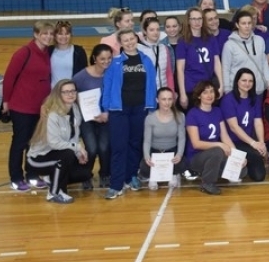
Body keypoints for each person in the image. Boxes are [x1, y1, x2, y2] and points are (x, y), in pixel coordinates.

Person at [102, 28, 157, 199]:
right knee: (119, 146)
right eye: (125, 40)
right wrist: (105, 108)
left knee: (135, 144)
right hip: (119, 110)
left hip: (140, 109)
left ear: (136, 39)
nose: (129, 42)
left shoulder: (146, 60)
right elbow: (107, 86)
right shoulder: (115, 63)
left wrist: (152, 107)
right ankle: (116, 185)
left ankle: (131, 176)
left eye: (131, 39)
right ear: (120, 43)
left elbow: (152, 85)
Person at [3, 20, 54, 191]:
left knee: (35, 143)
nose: (48, 37)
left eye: (50, 34)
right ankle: (16, 178)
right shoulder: (23, 53)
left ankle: (32, 174)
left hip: (39, 107)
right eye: (44, 33)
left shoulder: (47, 53)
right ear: (36, 34)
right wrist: (6, 101)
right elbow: (9, 78)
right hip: (21, 107)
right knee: (20, 142)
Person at [26, 80, 91, 204]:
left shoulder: (75, 108)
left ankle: (52, 178)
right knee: (66, 155)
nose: (70, 94)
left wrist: (78, 152)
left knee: (84, 173)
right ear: (58, 94)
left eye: (73, 91)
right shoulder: (53, 114)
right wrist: (77, 147)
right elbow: (54, 143)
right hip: (38, 159)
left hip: (57, 154)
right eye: (65, 92)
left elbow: (74, 136)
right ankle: (53, 193)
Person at [185, 81, 241, 195]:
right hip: (196, 157)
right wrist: (219, 145)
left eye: (211, 91)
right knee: (217, 151)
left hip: (215, 155)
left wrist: (237, 156)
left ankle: (208, 172)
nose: (209, 95)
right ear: (199, 95)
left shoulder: (217, 111)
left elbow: (224, 136)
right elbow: (196, 144)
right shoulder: (192, 114)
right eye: (205, 92)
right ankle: (207, 183)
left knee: (242, 170)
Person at [72, 44, 113, 189]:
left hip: (106, 117)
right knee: (92, 148)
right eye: (102, 59)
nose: (106, 61)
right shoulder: (81, 76)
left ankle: (105, 174)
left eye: (109, 58)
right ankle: (85, 175)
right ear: (95, 58)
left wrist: (107, 113)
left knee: (104, 147)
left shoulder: (112, 74)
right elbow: (72, 93)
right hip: (87, 119)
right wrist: (81, 106)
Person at [221, 68, 267, 182]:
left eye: (250, 81)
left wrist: (261, 143)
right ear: (237, 81)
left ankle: (245, 162)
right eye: (244, 80)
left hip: (247, 142)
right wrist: (254, 143)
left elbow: (258, 122)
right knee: (253, 158)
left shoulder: (255, 99)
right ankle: (234, 163)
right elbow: (234, 127)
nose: (247, 83)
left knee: (259, 177)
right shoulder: (228, 99)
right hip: (232, 142)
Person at [176, 7, 223, 110]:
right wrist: (182, 93)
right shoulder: (183, 41)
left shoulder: (211, 39)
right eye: (193, 19)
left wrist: (221, 85)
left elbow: (217, 62)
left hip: (208, 88)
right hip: (192, 88)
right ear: (188, 21)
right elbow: (180, 69)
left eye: (199, 18)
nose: (197, 22)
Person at [140, 87, 186, 190]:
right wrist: (147, 157)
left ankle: (173, 174)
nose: (167, 102)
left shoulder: (180, 116)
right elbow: (147, 141)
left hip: (172, 151)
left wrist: (179, 155)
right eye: (164, 99)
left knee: (183, 163)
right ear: (157, 100)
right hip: (155, 152)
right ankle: (153, 176)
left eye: (170, 99)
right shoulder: (150, 118)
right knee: (144, 166)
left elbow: (182, 138)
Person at [223, 8, 269, 95]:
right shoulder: (229, 45)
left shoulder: (260, 40)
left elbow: (264, 62)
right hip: (239, 92)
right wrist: (227, 89)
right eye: (243, 23)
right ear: (237, 25)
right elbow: (226, 69)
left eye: (249, 23)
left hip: (259, 89)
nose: (247, 26)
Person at [138, 17, 175, 91]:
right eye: (151, 30)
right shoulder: (139, 50)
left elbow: (169, 74)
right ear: (145, 31)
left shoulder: (164, 48)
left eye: (158, 29)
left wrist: (171, 92)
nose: (156, 33)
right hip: (147, 94)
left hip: (164, 94)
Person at [49, 20, 87, 85]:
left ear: (70, 35)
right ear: (55, 35)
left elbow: (84, 75)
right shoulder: (48, 51)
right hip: (53, 90)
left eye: (67, 34)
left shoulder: (79, 52)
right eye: (60, 34)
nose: (64, 37)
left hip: (71, 90)